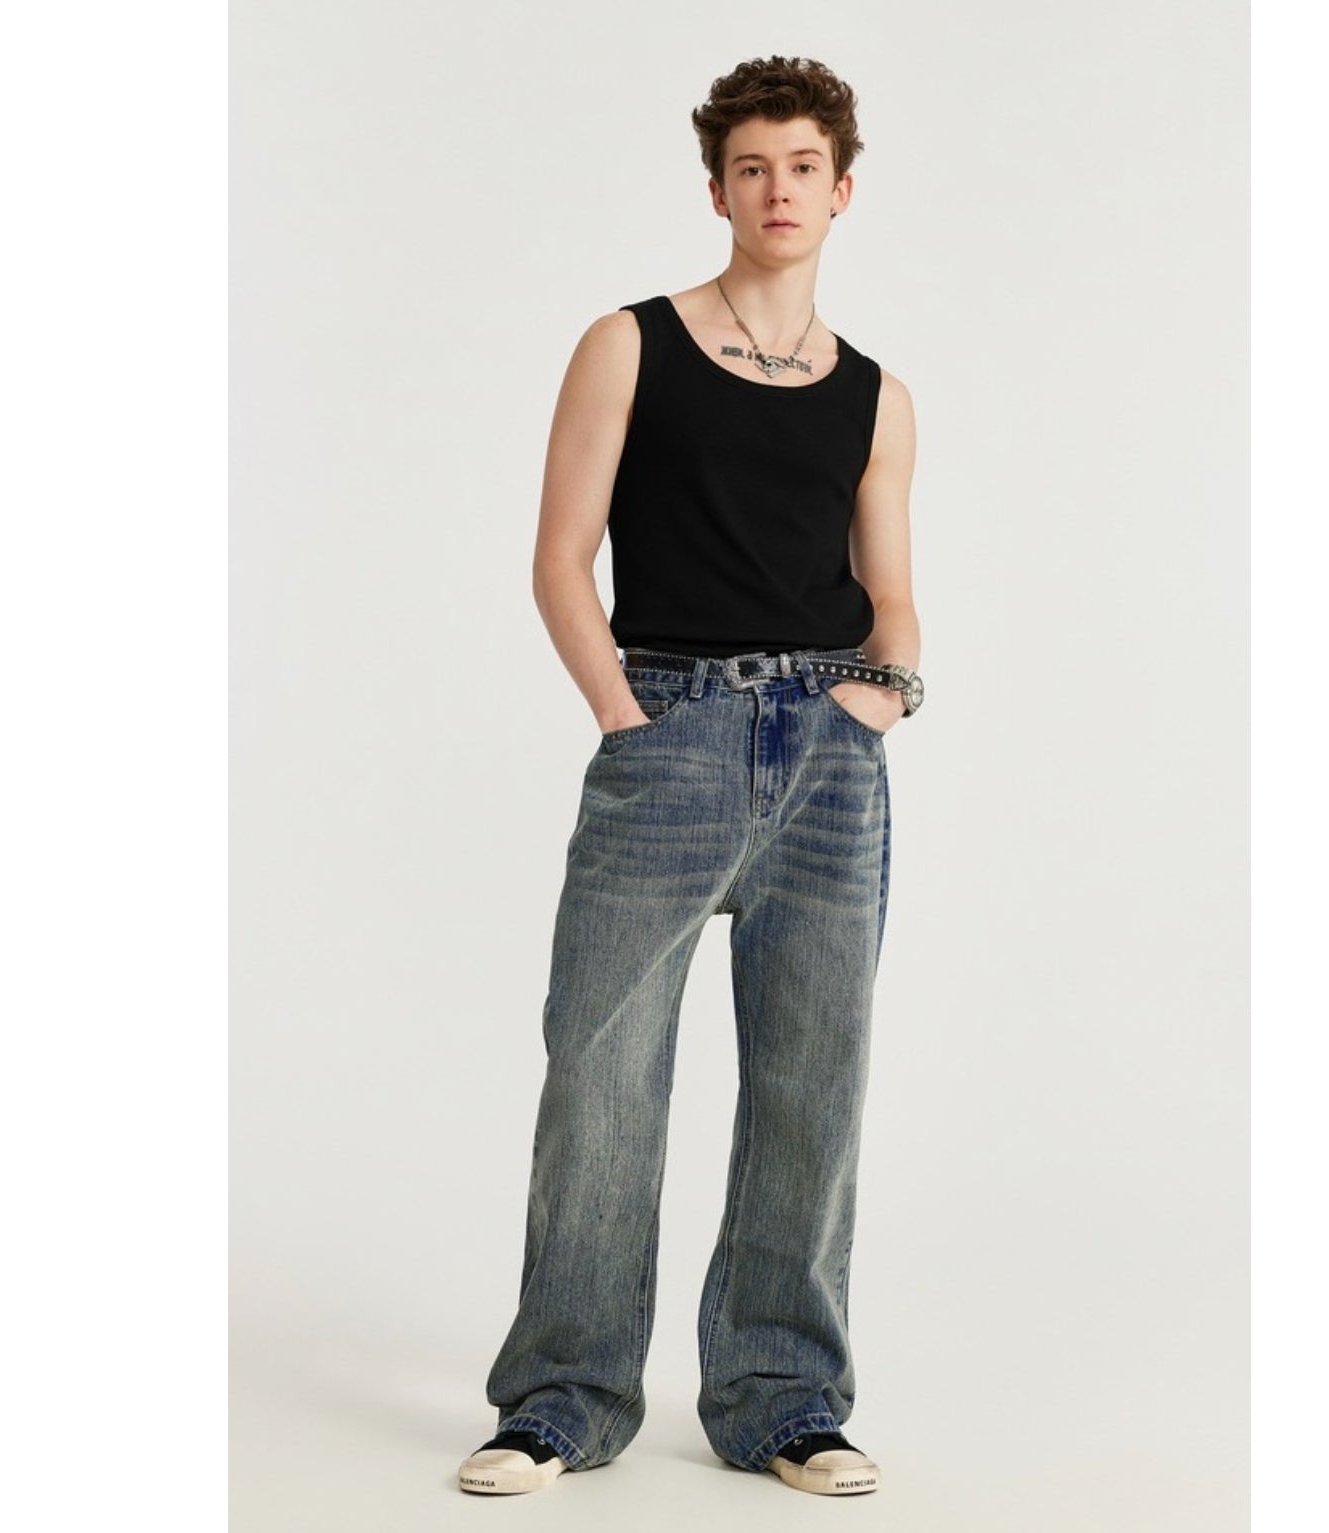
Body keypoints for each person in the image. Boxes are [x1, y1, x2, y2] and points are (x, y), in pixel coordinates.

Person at [457, 54, 923, 1498]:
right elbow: (560, 558)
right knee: (600, 1071)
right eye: (751, 168)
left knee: (811, 1083)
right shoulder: (629, 342)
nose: (778, 190)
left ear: (842, 191)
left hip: (829, 760)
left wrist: (877, 702)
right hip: (669, 729)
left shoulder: (877, 396)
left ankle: (784, 1399)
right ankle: (561, 1399)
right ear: (718, 190)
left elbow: (893, 598)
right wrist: (626, 717)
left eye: (802, 167)